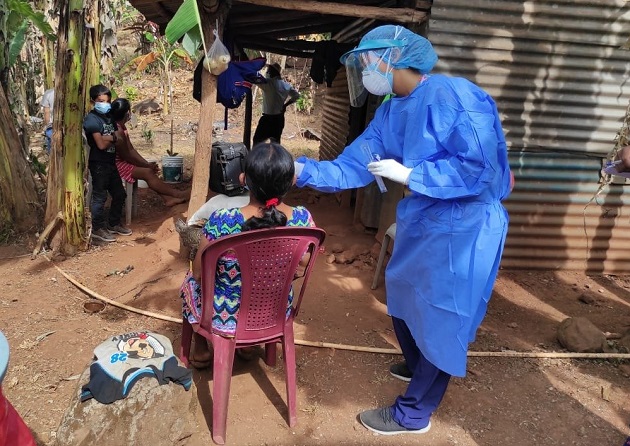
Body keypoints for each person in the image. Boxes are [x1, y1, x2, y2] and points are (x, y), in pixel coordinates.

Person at [293, 25, 512, 435]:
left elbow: (482, 168)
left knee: (442, 316)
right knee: (403, 294)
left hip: (465, 227)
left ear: (393, 57)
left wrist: (412, 172)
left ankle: (414, 413)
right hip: (425, 219)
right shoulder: (391, 112)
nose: (365, 71)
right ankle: (417, 362)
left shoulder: (453, 94)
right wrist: (299, 170)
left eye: (367, 61)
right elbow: (352, 166)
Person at [179, 141, 315, 368]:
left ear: (243, 179)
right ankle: (250, 346)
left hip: (224, 316)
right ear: (292, 181)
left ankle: (201, 348)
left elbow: (201, 274)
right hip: (274, 312)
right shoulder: (303, 219)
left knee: (190, 282)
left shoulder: (223, 220)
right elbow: (301, 269)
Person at [109, 98, 190, 207]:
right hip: (115, 165)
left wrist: (147, 164)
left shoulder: (121, 127)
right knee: (148, 173)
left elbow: (131, 150)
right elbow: (127, 156)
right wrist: (146, 166)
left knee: (148, 170)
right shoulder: (117, 131)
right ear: (127, 113)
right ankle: (177, 194)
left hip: (122, 161)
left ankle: (168, 199)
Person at [83, 84, 131, 243]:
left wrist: (109, 138)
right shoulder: (91, 120)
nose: (105, 104)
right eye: (101, 101)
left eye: (107, 101)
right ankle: (97, 228)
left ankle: (113, 223)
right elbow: (101, 145)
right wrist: (113, 138)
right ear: (93, 101)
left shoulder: (109, 116)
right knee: (99, 197)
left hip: (110, 162)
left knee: (119, 194)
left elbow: (118, 138)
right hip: (99, 163)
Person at [252, 63, 300, 144]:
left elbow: (253, 79)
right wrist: (285, 105)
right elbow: (296, 96)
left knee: (257, 141)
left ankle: (258, 156)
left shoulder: (268, 83)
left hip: (267, 119)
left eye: (269, 70)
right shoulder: (286, 85)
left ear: (273, 72)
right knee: (275, 144)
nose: (267, 72)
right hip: (279, 119)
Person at [40, 88, 54, 153]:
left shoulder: (48, 93)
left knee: (52, 152)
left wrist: (44, 126)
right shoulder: (72, 90)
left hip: (52, 127)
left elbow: (47, 113)